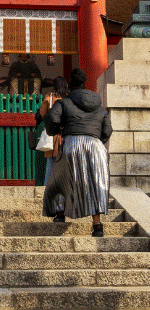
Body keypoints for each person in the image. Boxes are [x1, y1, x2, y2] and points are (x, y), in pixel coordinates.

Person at [42, 68, 112, 237]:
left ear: (71, 85)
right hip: (96, 146)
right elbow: (108, 130)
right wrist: (96, 141)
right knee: (96, 182)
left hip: (72, 143)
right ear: (85, 84)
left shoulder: (64, 102)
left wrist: (55, 131)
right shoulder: (100, 108)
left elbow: (51, 118)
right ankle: (97, 226)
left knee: (60, 177)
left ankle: (60, 214)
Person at [34, 76, 69, 186]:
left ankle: (46, 187)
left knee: (50, 163)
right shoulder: (68, 98)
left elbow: (43, 113)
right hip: (66, 134)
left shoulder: (50, 97)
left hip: (52, 134)